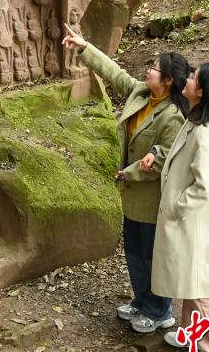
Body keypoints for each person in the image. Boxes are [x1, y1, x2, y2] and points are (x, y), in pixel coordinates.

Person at [62, 22, 190, 334]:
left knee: (151, 255)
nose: (149, 71)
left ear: (169, 81)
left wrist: (127, 172)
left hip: (152, 198)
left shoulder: (173, 116)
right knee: (134, 252)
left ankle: (160, 311)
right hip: (132, 194)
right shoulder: (142, 94)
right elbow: (115, 73)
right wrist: (83, 47)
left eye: (155, 68)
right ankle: (141, 301)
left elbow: (163, 159)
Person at [140, 63, 209, 352]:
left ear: (203, 91)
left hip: (195, 223)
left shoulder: (205, 134)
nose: (188, 79)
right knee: (190, 281)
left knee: (202, 286)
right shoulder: (197, 121)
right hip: (192, 222)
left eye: (194, 77)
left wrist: (178, 205)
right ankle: (194, 335)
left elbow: (205, 186)